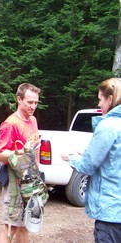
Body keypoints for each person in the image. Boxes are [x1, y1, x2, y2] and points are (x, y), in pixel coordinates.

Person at [62, 78, 121, 243]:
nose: (99, 104)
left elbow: (87, 166)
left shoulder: (109, 125)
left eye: (101, 99)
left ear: (110, 99)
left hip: (111, 213)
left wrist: (71, 158)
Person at [0, 83, 41, 243]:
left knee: (24, 225)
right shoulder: (10, 124)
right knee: (10, 226)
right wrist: (20, 152)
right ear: (19, 100)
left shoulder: (33, 120)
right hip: (15, 184)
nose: (33, 106)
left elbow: (36, 149)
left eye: (36, 102)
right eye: (29, 102)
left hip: (30, 183)